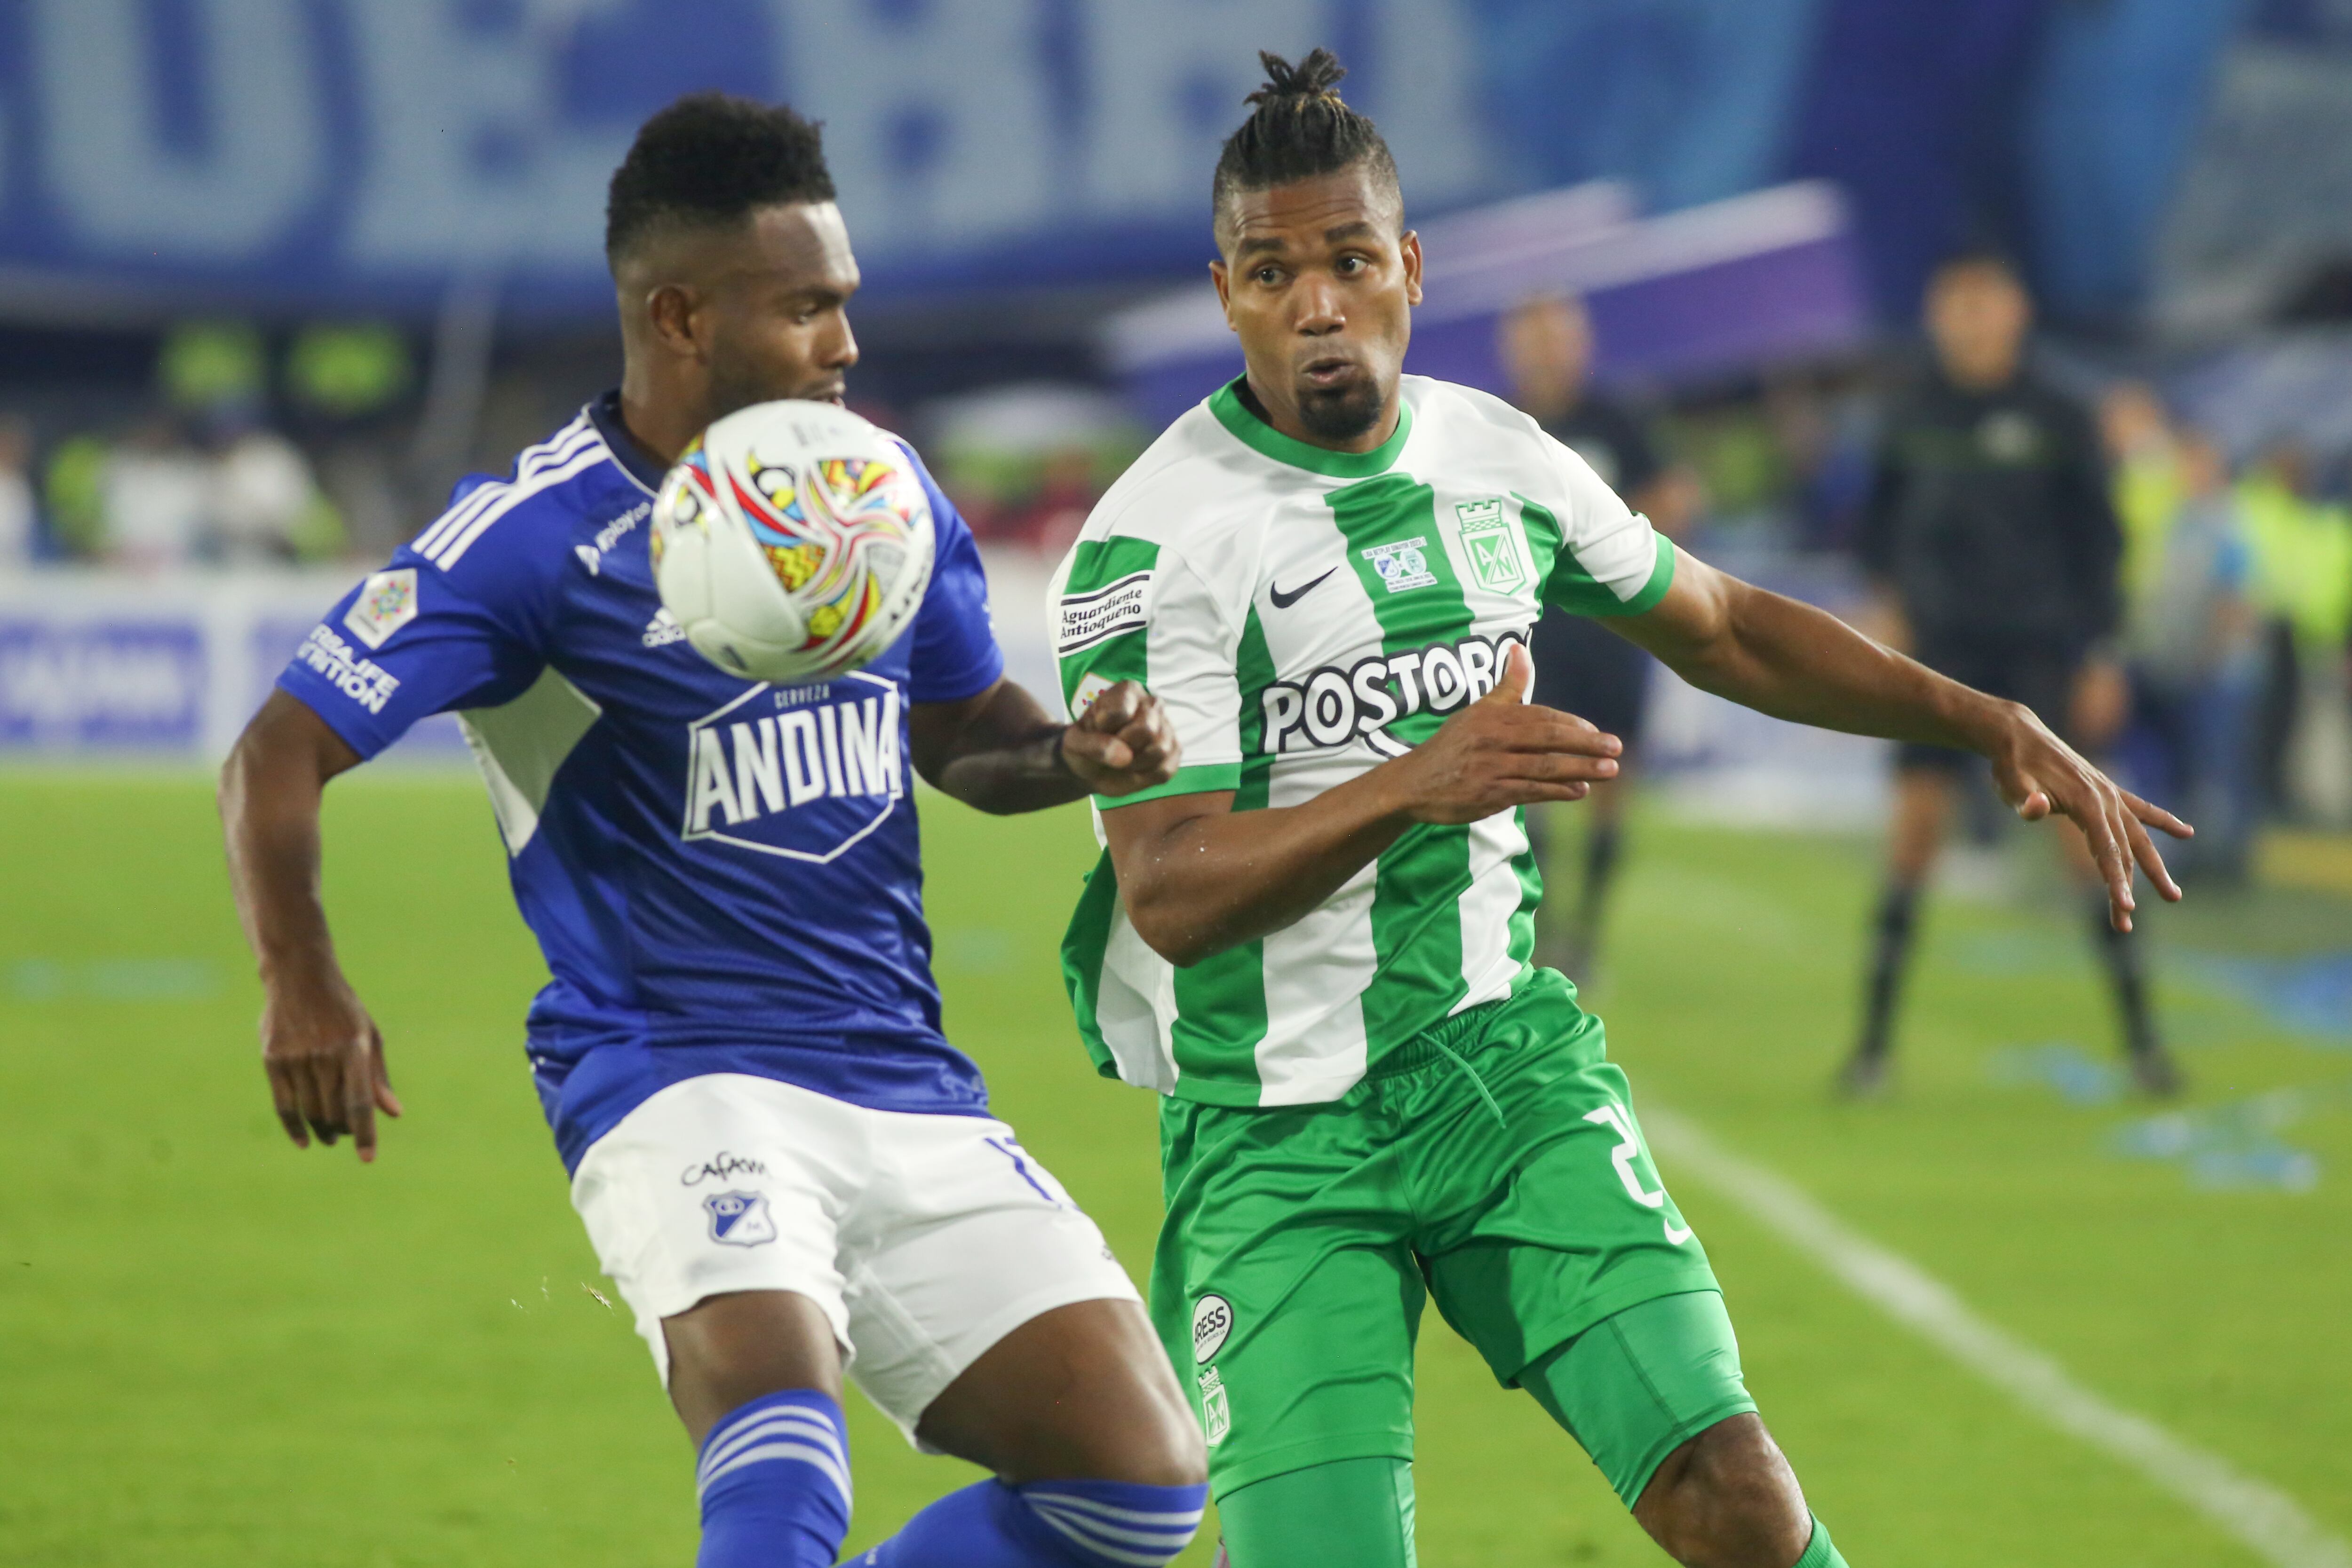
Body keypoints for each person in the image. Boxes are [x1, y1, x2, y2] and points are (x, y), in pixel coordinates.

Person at [1050, 51, 2187, 1568]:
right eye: (1272, 273)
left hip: (1500, 1067)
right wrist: (1417, 781)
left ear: (1410, 267)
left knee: (1735, 1490)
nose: (1317, 303)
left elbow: (1724, 625)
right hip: (1276, 1137)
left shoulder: (1500, 458)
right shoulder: (1152, 543)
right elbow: (1173, 892)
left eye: (1349, 260)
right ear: (1225, 294)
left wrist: (1983, 716)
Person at [219, 94, 1207, 1568]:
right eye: (806, 307)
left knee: (1136, 1489)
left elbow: (962, 736)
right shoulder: (534, 540)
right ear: (680, 315)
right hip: (676, 1072)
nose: (845, 342)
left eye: (844, 300)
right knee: (781, 1443)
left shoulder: (877, 493)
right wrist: (300, 972)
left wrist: (1075, 750)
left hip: (902, 1076)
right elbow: (278, 749)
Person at [1842, 253, 2178, 1097]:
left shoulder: (2060, 413)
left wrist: (2102, 653)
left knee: (2085, 843)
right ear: (1935, 312)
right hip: (1937, 660)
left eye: (1985, 301)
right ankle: (1872, 1051)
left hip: (2038, 658)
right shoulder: (1909, 414)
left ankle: (2144, 1046)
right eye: (1957, 302)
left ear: (2017, 310)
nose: (1972, 318)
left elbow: (2102, 545)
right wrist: (1884, 604)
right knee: (1913, 838)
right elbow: (1875, 533)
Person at [1496, 293, 1696, 983]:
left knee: (1612, 781)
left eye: (1557, 338)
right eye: (1534, 339)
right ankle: (1543, 929)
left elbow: (1676, 499)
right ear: (1512, 349)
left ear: (1581, 344)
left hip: (1612, 632)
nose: (1546, 353)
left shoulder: (1619, 419)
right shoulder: (1497, 428)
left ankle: (1588, 930)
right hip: (1531, 634)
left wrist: (1610, 542)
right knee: (1528, 786)